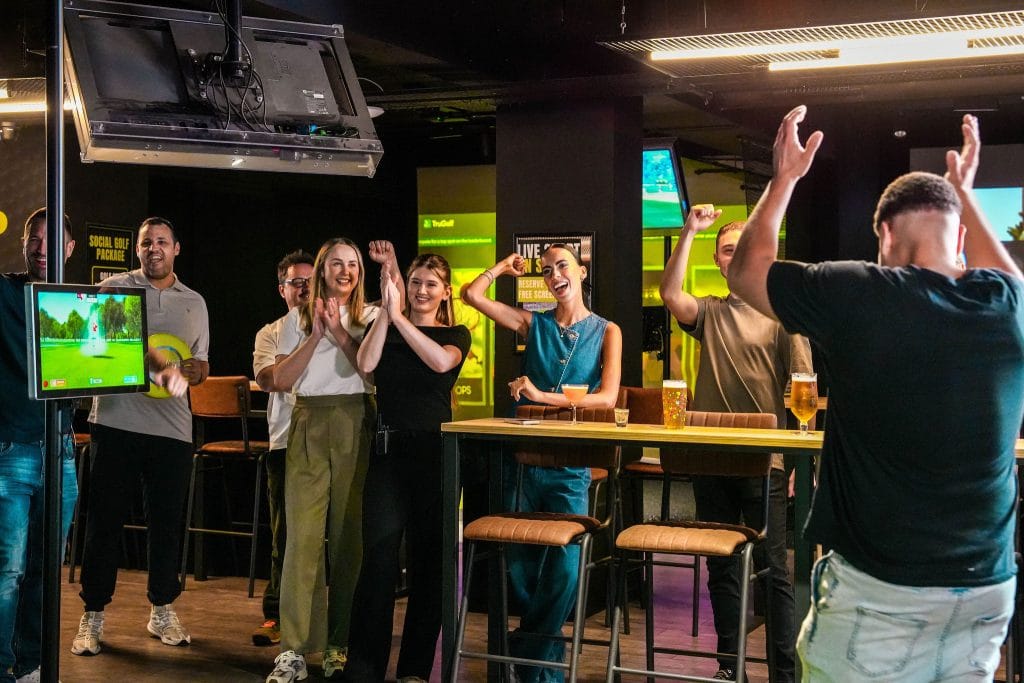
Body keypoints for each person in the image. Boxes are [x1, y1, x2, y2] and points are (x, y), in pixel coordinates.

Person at [728, 106, 1024, 681]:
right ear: (960, 235)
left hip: (883, 592)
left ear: (882, 233)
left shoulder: (856, 292)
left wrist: (785, 177)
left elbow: (746, 272)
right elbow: (1005, 274)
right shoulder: (1005, 305)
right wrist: (963, 191)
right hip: (987, 589)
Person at [660, 207, 811, 682]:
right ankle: (731, 668)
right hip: (713, 460)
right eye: (729, 249)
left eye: (747, 248)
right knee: (721, 567)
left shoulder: (785, 317)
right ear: (721, 263)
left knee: (774, 572)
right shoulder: (711, 312)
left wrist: (791, 463)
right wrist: (688, 231)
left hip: (766, 464)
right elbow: (669, 293)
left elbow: (801, 393)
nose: (738, 255)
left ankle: (784, 675)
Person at [463, 244, 622, 683]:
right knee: (519, 564)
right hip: (523, 461)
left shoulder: (607, 331)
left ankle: (526, 650)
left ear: (582, 271)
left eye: (562, 266)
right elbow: (472, 296)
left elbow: (606, 398)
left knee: (565, 563)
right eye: (547, 271)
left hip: (569, 462)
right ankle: (541, 667)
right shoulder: (534, 322)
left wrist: (541, 397)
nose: (555, 275)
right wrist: (500, 268)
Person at [72, 217, 210, 657]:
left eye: (162, 242)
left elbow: (202, 363)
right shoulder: (114, 286)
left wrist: (195, 371)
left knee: (167, 527)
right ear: (137, 249)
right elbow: (115, 337)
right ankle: (92, 615)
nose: (154, 248)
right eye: (146, 242)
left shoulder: (195, 302)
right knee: (104, 525)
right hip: (115, 424)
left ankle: (162, 609)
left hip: (173, 430)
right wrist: (160, 367)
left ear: (177, 249)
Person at [344, 253, 471, 682]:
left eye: (431, 284)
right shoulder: (388, 322)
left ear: (445, 292)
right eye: (415, 282)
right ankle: (363, 669)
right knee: (378, 561)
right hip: (387, 454)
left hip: (435, 455)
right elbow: (365, 365)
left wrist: (399, 318)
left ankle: (414, 670)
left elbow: (439, 362)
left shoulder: (456, 333)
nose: (421, 290)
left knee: (429, 565)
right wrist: (387, 313)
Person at [265, 238, 379, 683]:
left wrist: (339, 334)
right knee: (303, 539)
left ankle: (339, 644)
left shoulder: (370, 316)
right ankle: (294, 648)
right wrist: (315, 334)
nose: (346, 270)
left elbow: (370, 372)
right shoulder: (295, 318)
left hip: (355, 420)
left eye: (352, 264)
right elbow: (280, 379)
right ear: (320, 270)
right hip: (308, 418)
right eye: (336, 263)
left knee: (348, 540)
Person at [0, 208, 78, 683]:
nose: (42, 248)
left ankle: (31, 664)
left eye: (53, 241)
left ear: (70, 249)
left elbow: (129, 341)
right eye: (34, 238)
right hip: (10, 450)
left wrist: (156, 365)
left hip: (62, 452)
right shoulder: (4, 292)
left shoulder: (78, 300)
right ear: (24, 244)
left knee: (46, 570)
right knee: (6, 572)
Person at [250, 249, 315, 647]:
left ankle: (326, 621)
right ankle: (276, 616)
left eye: (311, 280)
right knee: (285, 534)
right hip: (285, 440)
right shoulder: (270, 332)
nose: (305, 288)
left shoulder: (339, 323)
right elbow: (271, 379)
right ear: (282, 289)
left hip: (330, 441)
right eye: (296, 281)